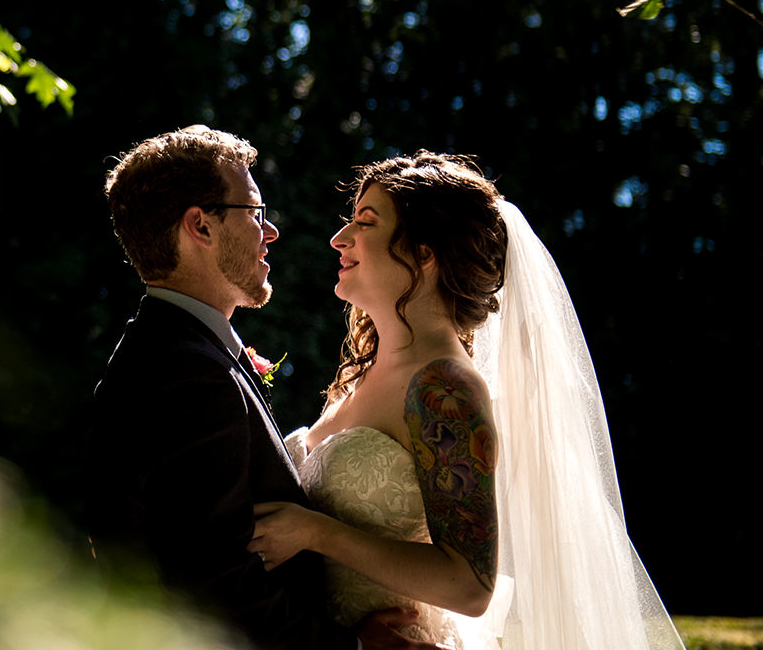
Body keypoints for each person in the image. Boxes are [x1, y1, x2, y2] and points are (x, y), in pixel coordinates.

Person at [248, 152, 683, 650]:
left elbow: (470, 586)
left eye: (365, 222)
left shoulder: (445, 389)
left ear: (424, 254)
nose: (339, 238)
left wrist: (316, 533)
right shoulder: (364, 372)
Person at [87, 126, 436, 650]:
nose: (270, 232)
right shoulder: (186, 373)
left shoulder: (172, 353)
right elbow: (215, 582)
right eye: (254, 212)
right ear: (200, 226)